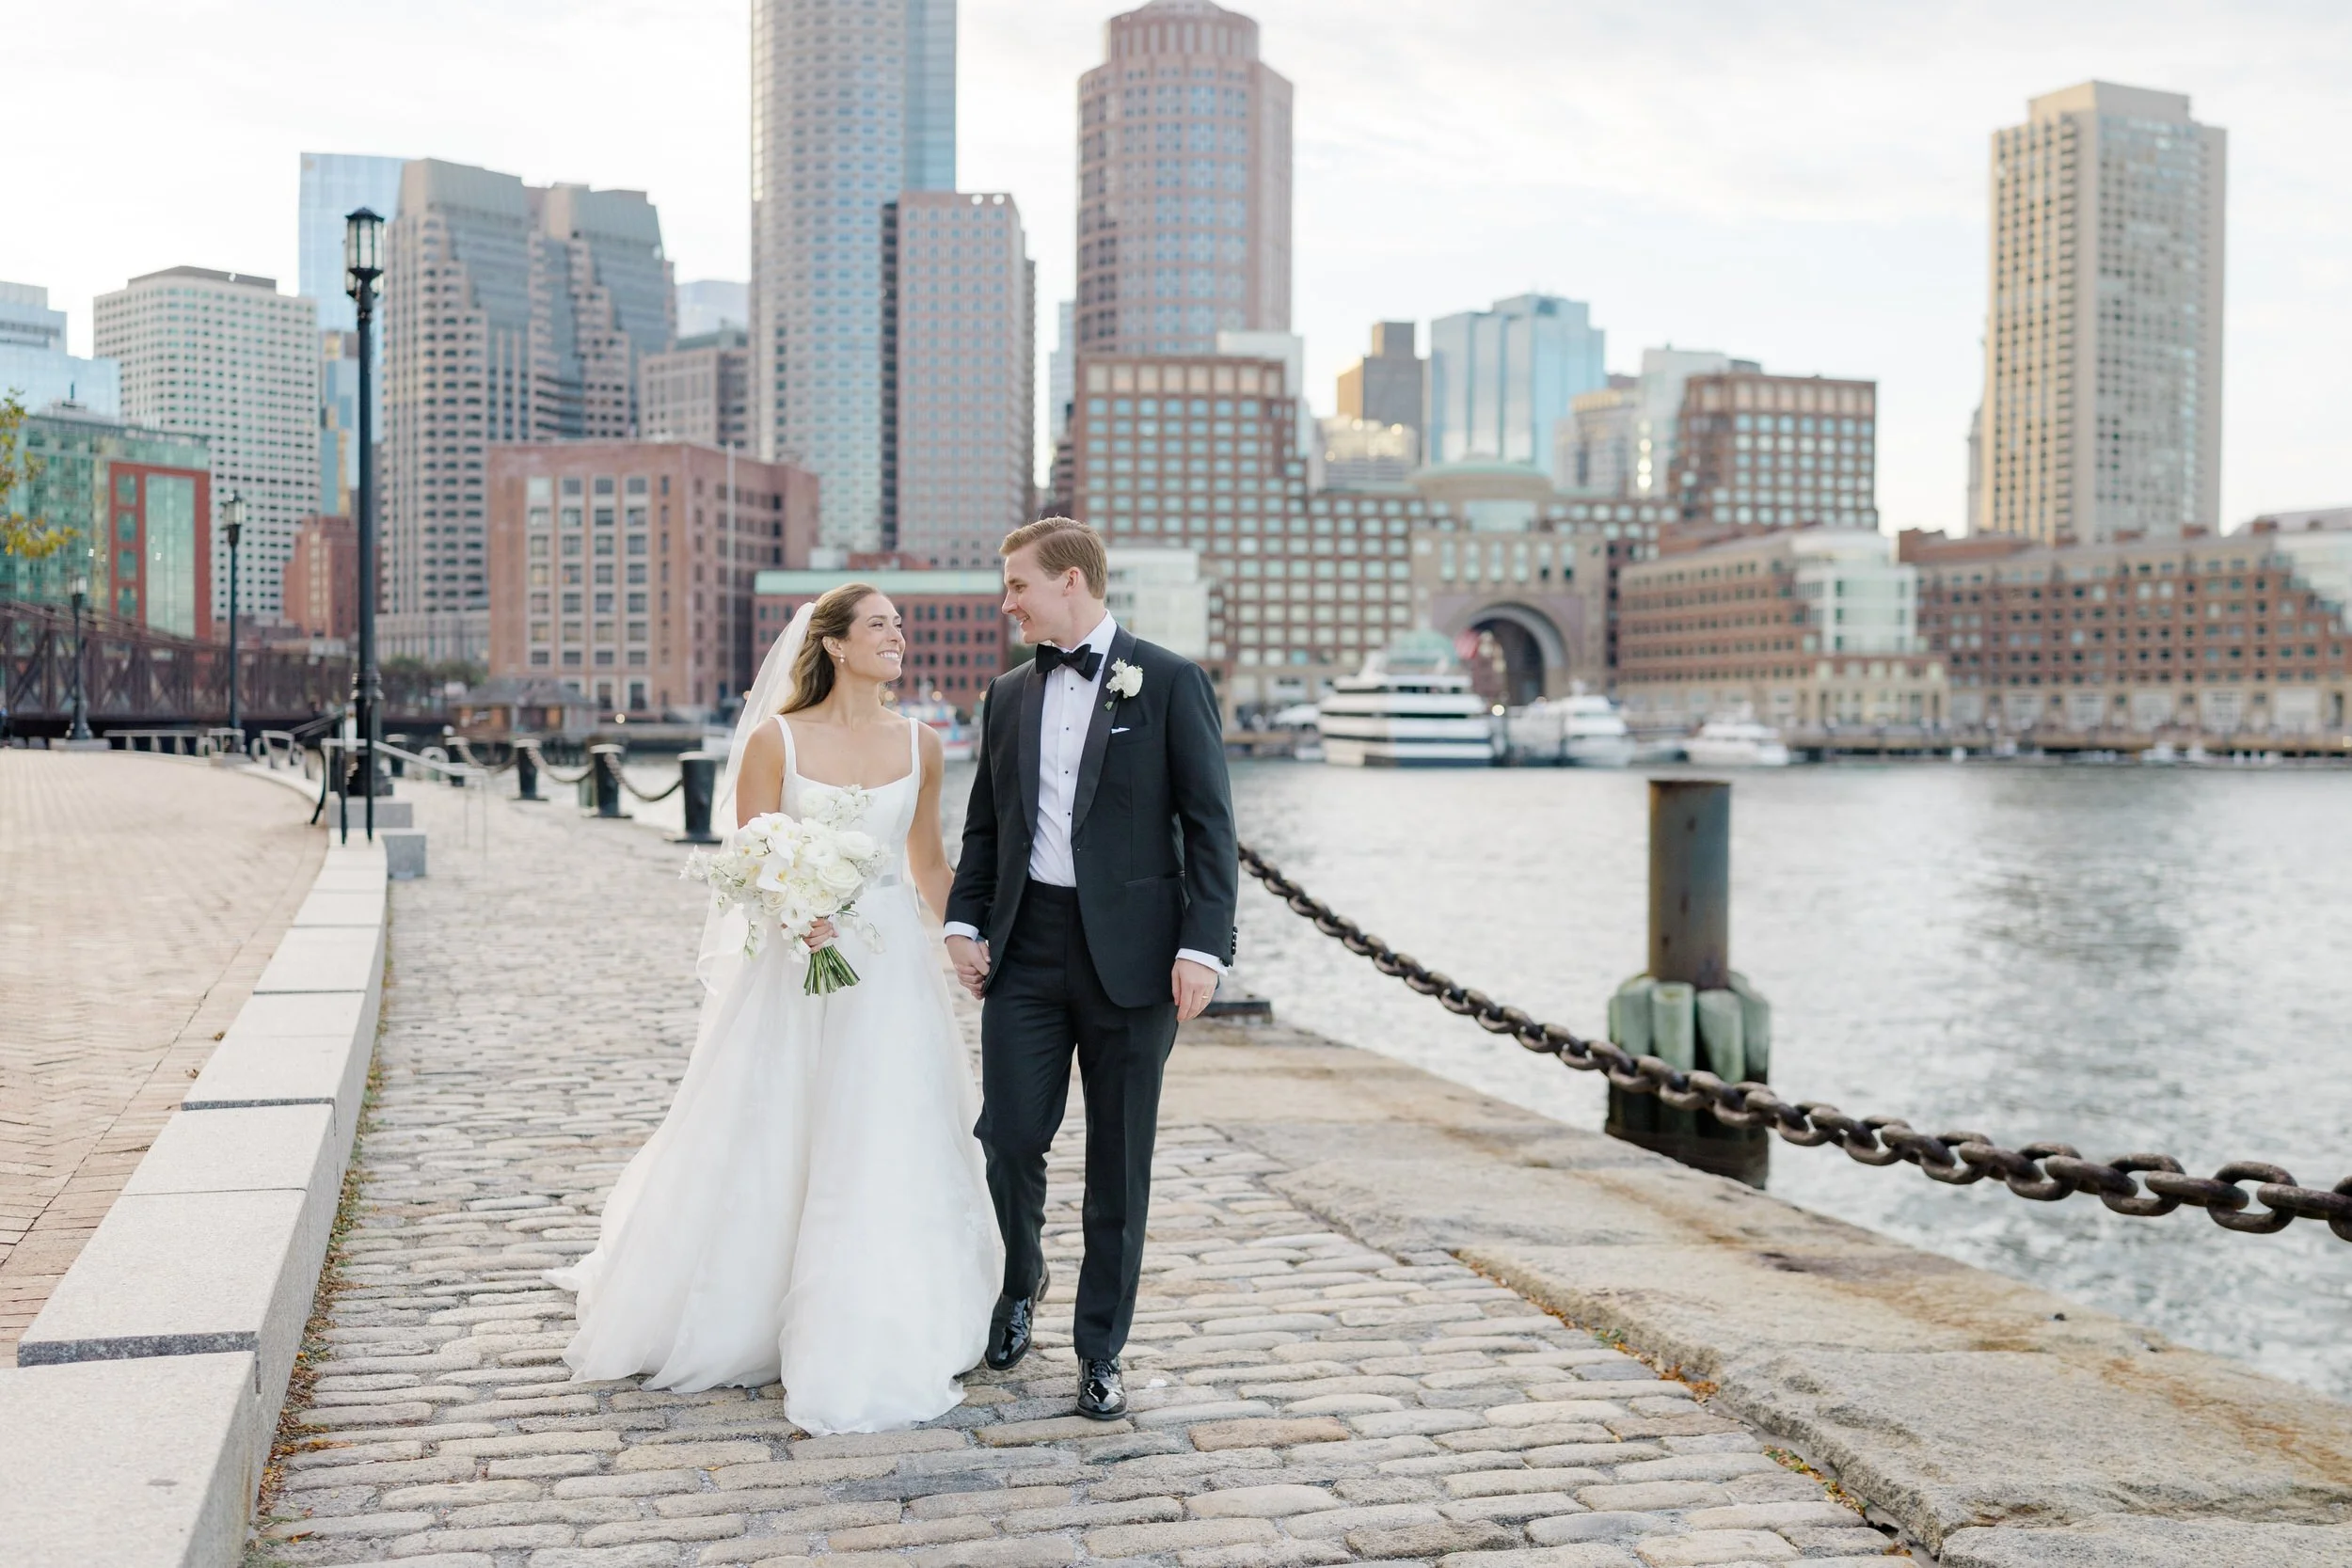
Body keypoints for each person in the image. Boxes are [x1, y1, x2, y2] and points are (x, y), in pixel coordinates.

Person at [547, 583, 999, 1435]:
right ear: (833, 644)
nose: (897, 635)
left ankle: (877, 1306)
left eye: (899, 623)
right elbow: (751, 859)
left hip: (890, 974)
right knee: (777, 1125)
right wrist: (795, 908)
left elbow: (929, 865)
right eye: (879, 625)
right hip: (799, 965)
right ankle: (749, 1299)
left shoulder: (923, 743)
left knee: (882, 1130)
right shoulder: (775, 740)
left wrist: (965, 939)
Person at [946, 517, 1238, 1419]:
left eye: (1018, 585)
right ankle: (1018, 1281)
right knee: (1007, 1137)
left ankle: (1100, 1349)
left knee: (1119, 1165)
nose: (1008, 602)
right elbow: (987, 828)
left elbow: (1211, 826)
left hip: (1137, 961)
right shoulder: (1005, 696)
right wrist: (962, 918)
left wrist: (1202, 947)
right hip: (1027, 949)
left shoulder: (1173, 681)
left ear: (1070, 581)